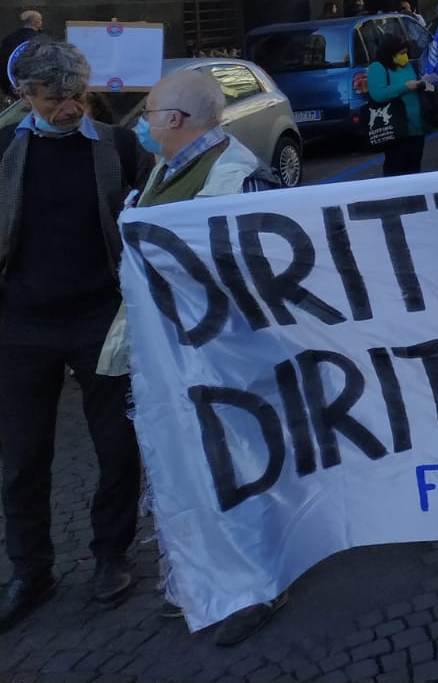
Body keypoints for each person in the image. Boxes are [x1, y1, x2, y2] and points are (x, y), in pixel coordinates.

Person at [125, 70, 287, 645]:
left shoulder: (236, 178)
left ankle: (256, 584)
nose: (142, 124)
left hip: (223, 359)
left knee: (237, 466)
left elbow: (255, 273)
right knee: (194, 469)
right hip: (179, 355)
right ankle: (206, 576)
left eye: (147, 113)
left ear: (173, 120)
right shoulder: (169, 168)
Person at [0, 40, 151, 631]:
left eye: (78, 95)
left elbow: (151, 219)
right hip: (21, 327)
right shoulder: (4, 151)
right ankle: (30, 570)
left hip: (102, 322)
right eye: (55, 97)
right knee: (22, 458)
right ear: (25, 96)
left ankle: (111, 555)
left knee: (116, 445)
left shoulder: (117, 147)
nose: (70, 107)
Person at [365, 32, 426, 176]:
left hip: (416, 128)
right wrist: (405, 86)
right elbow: (378, 94)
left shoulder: (407, 66)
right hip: (396, 129)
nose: (404, 56)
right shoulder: (378, 67)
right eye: (401, 53)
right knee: (396, 168)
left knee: (415, 168)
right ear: (390, 52)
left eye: (405, 52)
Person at [1, 10, 43, 99]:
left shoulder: (9, 38)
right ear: (37, 22)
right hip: (35, 91)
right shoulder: (40, 40)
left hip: (11, 86)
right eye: (41, 20)